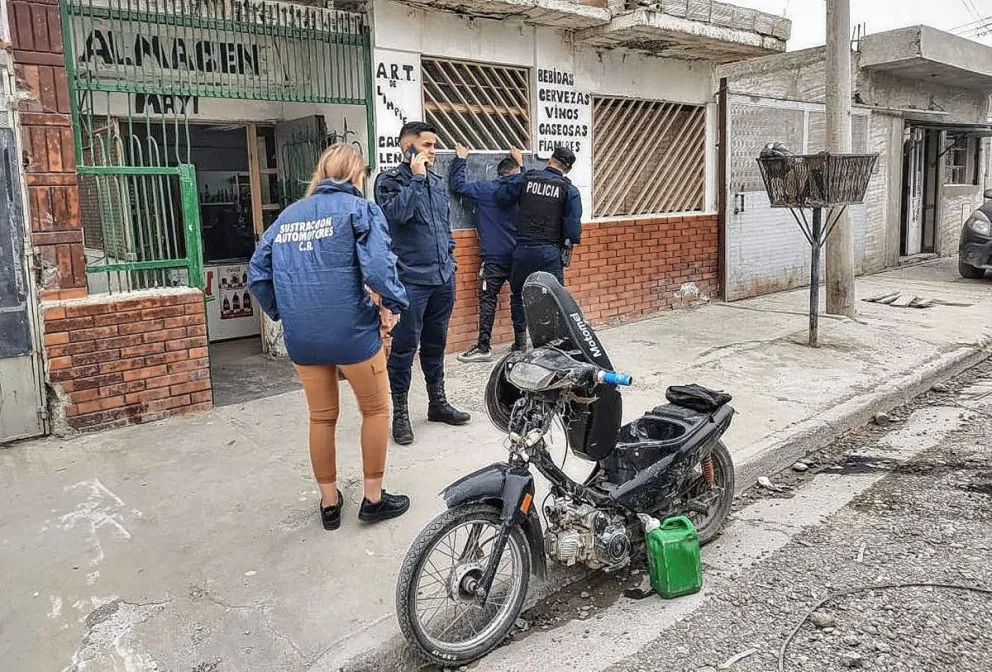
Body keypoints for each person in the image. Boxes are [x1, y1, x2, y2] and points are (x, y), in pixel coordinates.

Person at [248, 144, 411, 531]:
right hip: (353, 332)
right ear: (358, 175)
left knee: (321, 418)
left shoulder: (287, 216)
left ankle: (329, 502)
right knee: (375, 410)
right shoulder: (360, 209)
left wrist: (282, 311)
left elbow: (257, 273)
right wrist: (395, 303)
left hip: (303, 337)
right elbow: (377, 267)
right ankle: (373, 498)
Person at [374, 121, 471, 446]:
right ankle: (400, 413)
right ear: (408, 145)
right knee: (403, 349)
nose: (433, 151)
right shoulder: (388, 181)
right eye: (427, 144)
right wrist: (415, 179)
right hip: (410, 282)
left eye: (434, 145)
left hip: (442, 278)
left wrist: (450, 259)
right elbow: (396, 217)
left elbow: (442, 226)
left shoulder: (437, 181)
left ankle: (437, 403)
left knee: (436, 344)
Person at [495, 146, 583, 345]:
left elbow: (502, 197)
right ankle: (553, 342)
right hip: (550, 252)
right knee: (554, 297)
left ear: (550, 160)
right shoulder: (569, 189)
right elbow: (573, 230)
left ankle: (519, 343)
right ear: (568, 169)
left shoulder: (527, 179)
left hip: (523, 249)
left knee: (518, 295)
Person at [449, 143, 526, 362]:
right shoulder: (524, 190)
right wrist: (522, 163)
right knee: (518, 298)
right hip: (519, 254)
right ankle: (521, 344)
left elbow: (457, 185)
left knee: (488, 299)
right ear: (516, 172)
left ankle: (484, 347)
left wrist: (461, 159)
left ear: (498, 173)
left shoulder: (486, 190)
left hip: (493, 256)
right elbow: (525, 180)